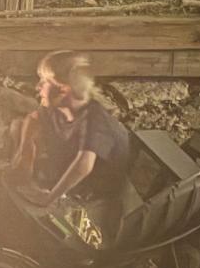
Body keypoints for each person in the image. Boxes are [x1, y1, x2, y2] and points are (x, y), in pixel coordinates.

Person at [10, 51, 130, 230]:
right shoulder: (59, 109)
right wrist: (26, 148)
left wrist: (49, 198)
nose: (38, 87)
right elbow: (32, 119)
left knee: (34, 221)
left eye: (44, 81)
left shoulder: (95, 119)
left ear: (64, 89)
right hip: (73, 181)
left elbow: (83, 165)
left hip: (98, 196)